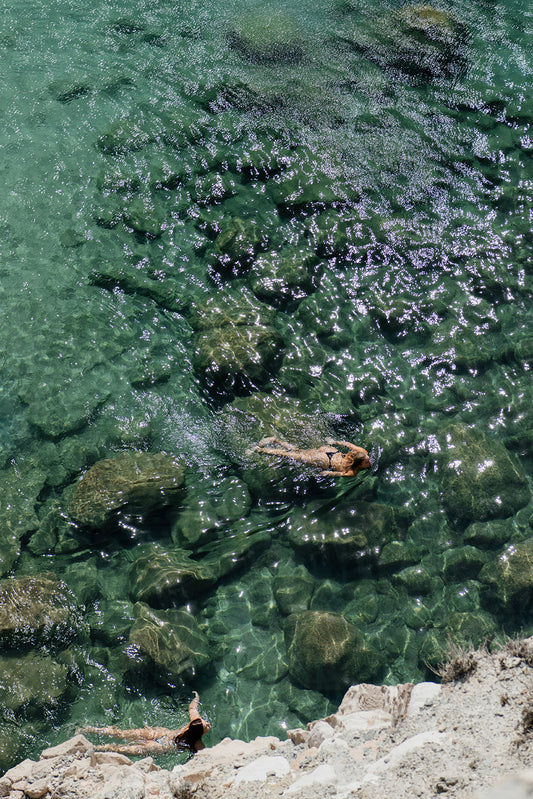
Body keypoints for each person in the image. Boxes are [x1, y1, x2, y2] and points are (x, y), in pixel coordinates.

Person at [79, 691, 211, 756]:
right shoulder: (198, 743)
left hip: (161, 735)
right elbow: (206, 756)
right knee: (122, 745)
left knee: (122, 737)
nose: (208, 724)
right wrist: (196, 698)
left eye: (206, 724)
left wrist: (196, 699)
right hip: (162, 746)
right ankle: (93, 744)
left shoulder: (195, 724)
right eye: (206, 725)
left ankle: (89, 733)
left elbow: (192, 709)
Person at [252, 436, 371, 477]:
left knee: (298, 451)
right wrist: (322, 474)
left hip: (330, 450)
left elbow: (348, 444)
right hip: (324, 461)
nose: (370, 461)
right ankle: (259, 450)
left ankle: (275, 441)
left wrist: (333, 442)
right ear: (359, 464)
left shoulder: (362, 452)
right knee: (289, 455)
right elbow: (332, 474)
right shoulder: (352, 472)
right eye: (367, 461)